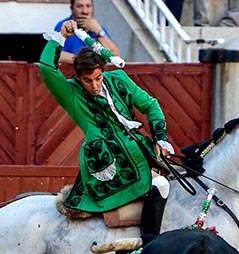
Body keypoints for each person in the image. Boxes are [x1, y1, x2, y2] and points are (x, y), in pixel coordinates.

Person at [40, 20, 174, 235]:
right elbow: (47, 68)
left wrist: (160, 138)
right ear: (77, 77)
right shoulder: (71, 92)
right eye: (87, 80)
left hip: (140, 149)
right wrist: (61, 36)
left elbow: (151, 105)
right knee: (161, 186)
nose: (94, 85)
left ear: (103, 71)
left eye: (98, 78)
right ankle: (149, 245)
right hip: (107, 160)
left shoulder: (119, 78)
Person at [53, 0, 120, 65]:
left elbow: (115, 57)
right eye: (79, 6)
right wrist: (87, 60)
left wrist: (99, 32)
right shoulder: (64, 26)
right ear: (72, 8)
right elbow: (54, 54)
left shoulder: (96, 27)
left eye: (88, 6)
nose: (85, 11)